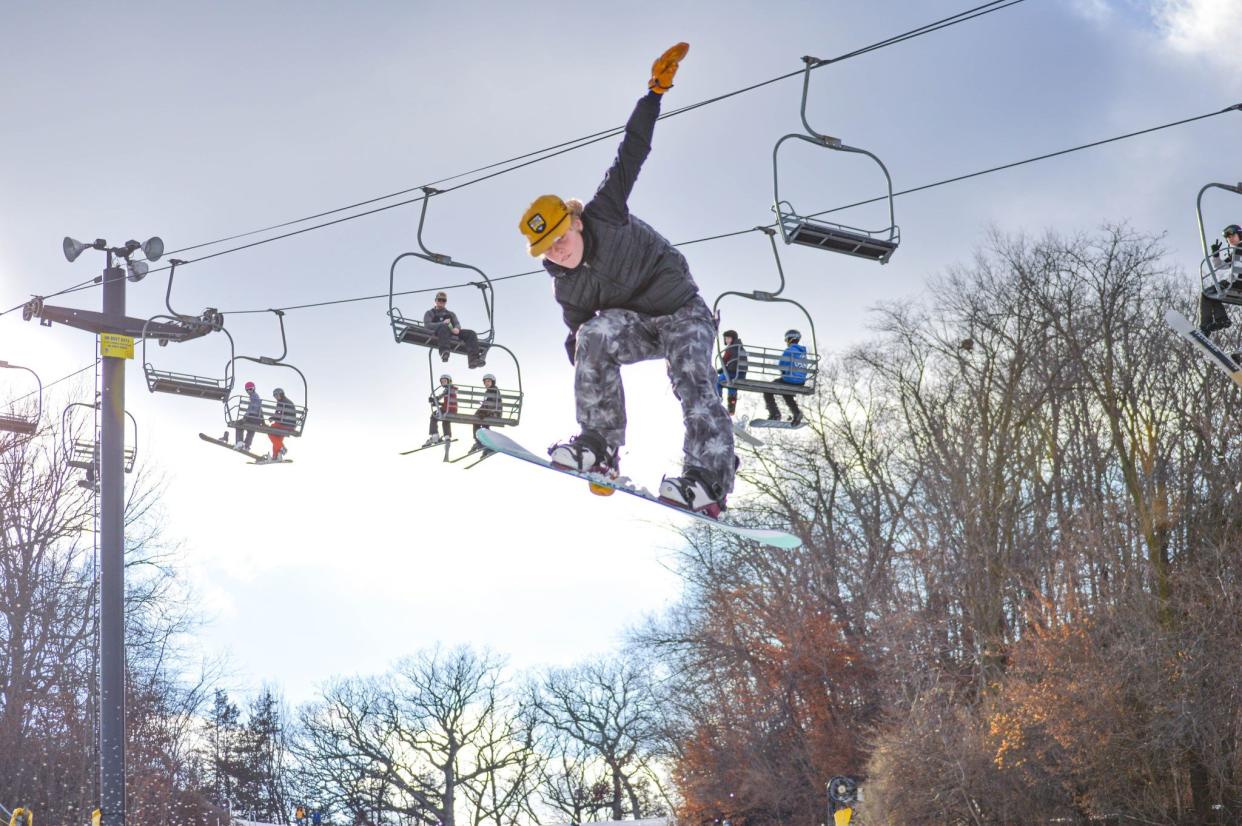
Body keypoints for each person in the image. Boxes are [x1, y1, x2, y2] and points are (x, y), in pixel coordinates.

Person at [517, 42, 736, 517]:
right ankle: (600, 447)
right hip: (637, 325)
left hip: (682, 312)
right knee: (590, 335)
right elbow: (583, 340)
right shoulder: (565, 285)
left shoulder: (606, 213)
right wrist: (580, 358)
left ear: (573, 223)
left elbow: (631, 151)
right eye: (548, 249)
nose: (558, 251)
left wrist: (653, 94)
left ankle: (708, 480)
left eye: (559, 238)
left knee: (693, 377)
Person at [1199, 223, 1242, 335]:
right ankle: (1221, 319)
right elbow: (1220, 266)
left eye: (1232, 235)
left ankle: (1205, 325)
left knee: (1206, 294)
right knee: (1215, 294)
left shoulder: (1239, 249)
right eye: (1228, 237)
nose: (1230, 239)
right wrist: (1216, 255)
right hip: (1236, 282)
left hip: (1237, 283)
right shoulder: (1235, 253)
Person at [423, 290, 484, 368]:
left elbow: (457, 323)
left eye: (443, 300)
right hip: (438, 332)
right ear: (436, 301)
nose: (441, 301)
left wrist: (457, 329)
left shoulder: (451, 314)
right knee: (444, 327)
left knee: (471, 333)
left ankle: (473, 360)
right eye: (439, 300)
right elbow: (427, 325)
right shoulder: (430, 313)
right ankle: (444, 352)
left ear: (445, 302)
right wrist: (442, 323)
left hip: (451, 331)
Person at [761, 329, 807, 427]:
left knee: (767, 389)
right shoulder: (803, 353)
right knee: (786, 392)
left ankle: (774, 413)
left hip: (790, 380)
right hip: (800, 382)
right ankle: (796, 412)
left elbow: (782, 365)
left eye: (786, 340)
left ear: (789, 340)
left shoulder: (789, 350)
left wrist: (784, 373)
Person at [716, 329, 749, 416]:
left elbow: (724, 360)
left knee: (717, 381)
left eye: (728, 338)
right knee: (732, 386)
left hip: (731, 373)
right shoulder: (741, 348)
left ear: (732, 338)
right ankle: (731, 407)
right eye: (725, 338)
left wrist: (723, 369)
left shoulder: (730, 348)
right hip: (740, 374)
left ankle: (717, 398)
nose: (726, 340)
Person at [470, 372, 503, 452]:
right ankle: (487, 445)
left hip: (492, 413)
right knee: (484, 425)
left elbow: (492, 403)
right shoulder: (489, 391)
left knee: (476, 421)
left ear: (492, 382)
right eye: (485, 382)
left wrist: (484, 412)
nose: (486, 383)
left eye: (488, 381)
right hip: (490, 412)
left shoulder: (493, 390)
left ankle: (479, 442)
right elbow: (487, 404)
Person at [424, 373, 457, 446]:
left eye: (445, 381)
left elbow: (440, 397)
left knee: (433, 416)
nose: (443, 383)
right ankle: (447, 436)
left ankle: (435, 435)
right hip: (452, 409)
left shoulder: (448, 389)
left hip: (447, 409)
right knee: (445, 419)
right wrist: (437, 403)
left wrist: (434, 400)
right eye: (442, 381)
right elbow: (448, 402)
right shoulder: (452, 389)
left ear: (449, 381)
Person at [265, 387, 297, 460]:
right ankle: (276, 456)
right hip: (287, 424)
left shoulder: (284, 402)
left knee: (270, 431)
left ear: (281, 394)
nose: (276, 397)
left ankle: (281, 448)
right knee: (277, 438)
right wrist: (273, 418)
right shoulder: (283, 401)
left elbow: (281, 415)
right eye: (274, 395)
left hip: (286, 424)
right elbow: (279, 414)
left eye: (277, 395)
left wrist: (274, 418)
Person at [234, 380, 263, 452]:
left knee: (238, 424)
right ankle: (246, 446)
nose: (249, 391)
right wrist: (262, 420)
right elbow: (260, 409)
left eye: (250, 389)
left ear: (254, 388)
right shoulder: (255, 396)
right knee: (251, 430)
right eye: (247, 390)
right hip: (256, 419)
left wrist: (245, 418)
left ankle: (240, 442)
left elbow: (253, 409)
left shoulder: (254, 397)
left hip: (252, 418)